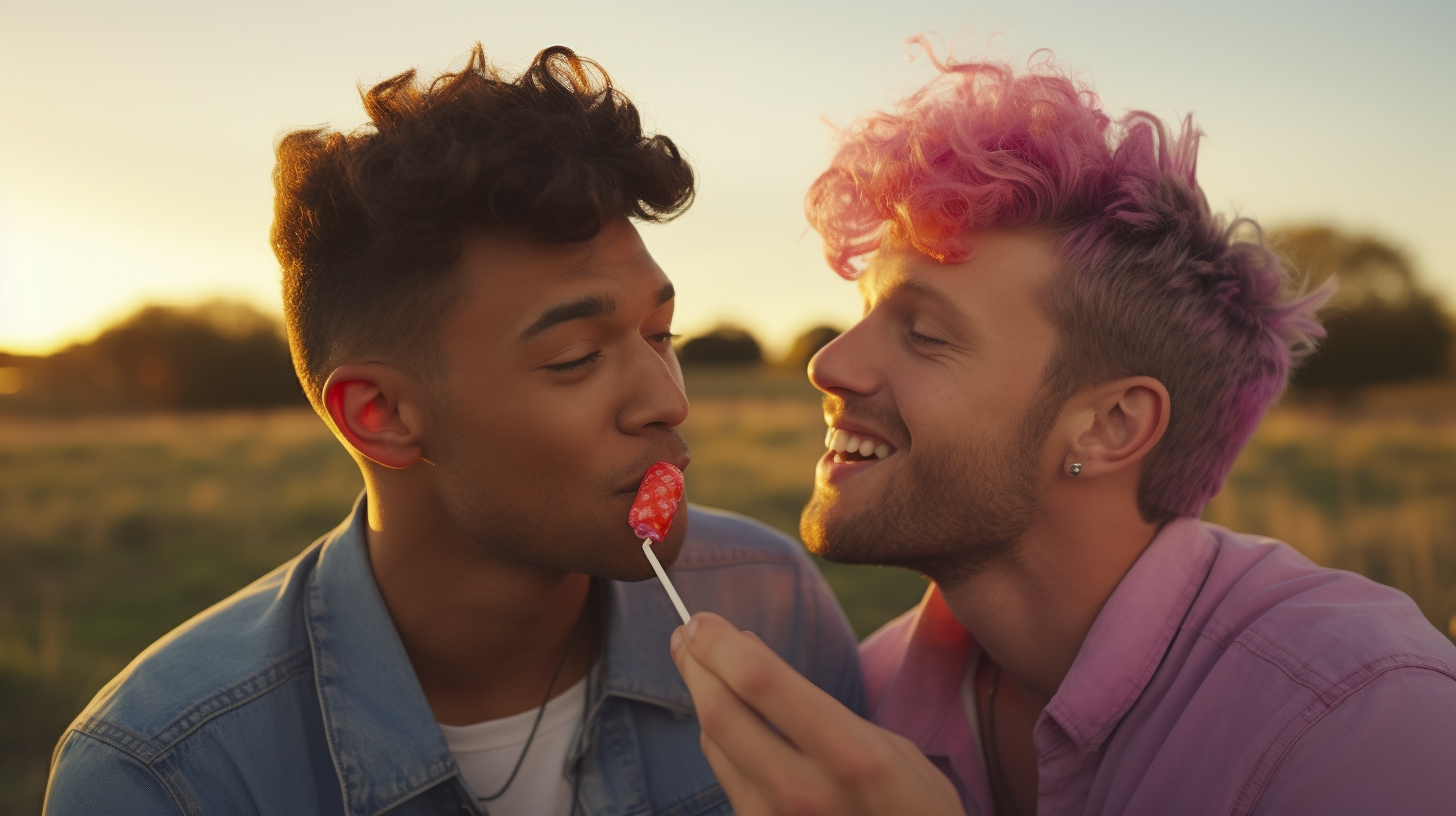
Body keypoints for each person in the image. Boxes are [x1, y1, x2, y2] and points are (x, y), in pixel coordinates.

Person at [44, 45, 862, 816]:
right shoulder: (166, 774)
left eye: (660, 335)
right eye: (577, 356)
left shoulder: (775, 601)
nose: (668, 402)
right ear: (383, 416)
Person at [670, 46, 1456, 816]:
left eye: (926, 333)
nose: (828, 365)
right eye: (865, 313)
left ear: (1111, 426)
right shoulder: (862, 699)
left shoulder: (1367, 725)